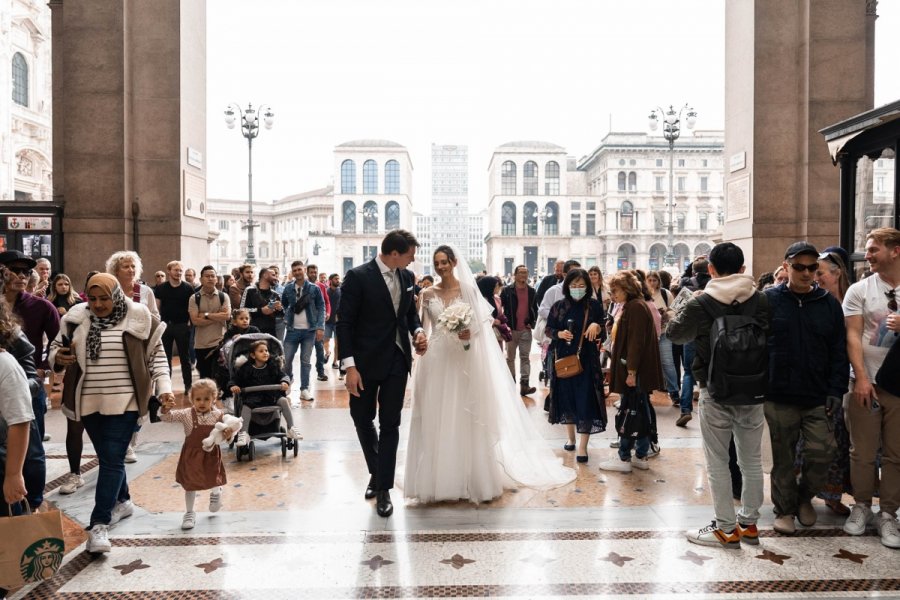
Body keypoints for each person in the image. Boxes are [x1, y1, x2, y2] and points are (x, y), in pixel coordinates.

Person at [405, 245, 575, 503]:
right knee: (436, 416)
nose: (440, 267)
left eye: (444, 262)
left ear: (453, 262)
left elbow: (480, 328)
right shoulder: (427, 294)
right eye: (436, 262)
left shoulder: (469, 291)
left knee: (464, 414)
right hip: (437, 360)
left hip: (463, 360)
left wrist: (467, 333)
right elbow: (424, 328)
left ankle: (469, 478)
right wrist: (419, 341)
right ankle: (437, 480)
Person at [50, 273, 174, 555]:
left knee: (112, 460)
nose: (98, 304)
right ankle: (124, 500)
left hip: (127, 403)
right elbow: (56, 347)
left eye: (104, 298)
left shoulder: (138, 316)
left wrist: (164, 388)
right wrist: (57, 358)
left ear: (116, 295)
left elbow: (157, 356)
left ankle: (98, 525)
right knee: (109, 458)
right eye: (92, 299)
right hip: (88, 403)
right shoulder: (75, 317)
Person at [667, 242, 770, 549]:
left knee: (718, 462)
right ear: (742, 269)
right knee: (751, 462)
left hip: (715, 389)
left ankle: (725, 528)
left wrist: (688, 307)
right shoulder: (762, 300)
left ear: (710, 269)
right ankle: (749, 525)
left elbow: (675, 334)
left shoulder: (702, 302)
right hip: (754, 388)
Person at [337, 229, 428, 517]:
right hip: (363, 364)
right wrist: (349, 366)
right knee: (362, 419)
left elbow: (409, 315)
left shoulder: (406, 277)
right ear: (394, 254)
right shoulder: (357, 276)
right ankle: (377, 473)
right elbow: (345, 323)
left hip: (397, 361)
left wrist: (417, 331)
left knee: (391, 424)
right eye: (410, 255)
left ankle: (384, 488)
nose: (413, 261)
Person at [763, 241, 848, 535]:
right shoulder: (769, 300)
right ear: (786, 267)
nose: (807, 273)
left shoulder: (828, 304)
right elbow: (758, 345)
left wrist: (835, 391)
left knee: (822, 452)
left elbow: (839, 351)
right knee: (784, 458)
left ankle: (803, 497)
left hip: (817, 395)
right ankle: (784, 509)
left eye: (813, 267)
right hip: (779, 394)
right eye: (799, 267)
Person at [841, 227, 900, 548]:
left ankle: (888, 513)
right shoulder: (859, 290)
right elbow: (852, 335)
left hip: (899, 386)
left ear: (896, 250)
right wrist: (861, 377)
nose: (868, 255)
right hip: (864, 381)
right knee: (861, 452)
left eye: (874, 249)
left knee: (896, 454)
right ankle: (861, 506)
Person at [599, 270, 664, 472]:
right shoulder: (635, 306)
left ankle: (625, 456)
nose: (613, 295)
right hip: (636, 371)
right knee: (639, 411)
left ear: (626, 289)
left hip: (635, 372)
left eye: (616, 290)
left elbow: (636, 343)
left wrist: (632, 372)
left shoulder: (635, 308)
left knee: (631, 412)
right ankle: (640, 455)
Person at [545, 268, 606, 463]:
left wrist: (597, 326)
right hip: (563, 359)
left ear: (588, 286)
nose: (577, 289)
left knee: (586, 399)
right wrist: (559, 334)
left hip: (587, 359)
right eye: (573, 285)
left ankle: (582, 447)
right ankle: (570, 438)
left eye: (581, 285)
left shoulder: (594, 306)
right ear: (567, 286)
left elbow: (603, 331)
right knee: (567, 398)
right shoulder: (559, 306)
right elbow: (548, 329)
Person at [0, 250, 59, 453]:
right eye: (15, 270)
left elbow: (58, 341)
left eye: (26, 271)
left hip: (30, 384)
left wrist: (44, 368)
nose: (22, 276)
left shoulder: (42, 307)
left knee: (33, 451)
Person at [160, 379, 235, 530]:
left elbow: (227, 437)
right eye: (198, 399)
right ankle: (189, 513)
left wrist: (229, 435)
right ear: (191, 399)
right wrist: (165, 409)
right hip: (191, 456)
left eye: (206, 399)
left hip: (211, 455)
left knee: (213, 478)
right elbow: (167, 418)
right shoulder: (187, 414)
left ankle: (216, 492)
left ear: (214, 398)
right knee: (190, 484)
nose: (202, 402)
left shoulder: (219, 416)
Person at [813, 246, 853, 515]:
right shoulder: (817, 301)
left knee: (843, 442)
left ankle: (833, 494)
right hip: (820, 382)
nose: (816, 277)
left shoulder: (851, 300)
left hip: (848, 380)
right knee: (821, 442)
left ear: (837, 274)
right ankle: (813, 493)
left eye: (820, 272)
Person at [228, 339, 301, 445]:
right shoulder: (246, 369)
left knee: (284, 401)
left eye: (266, 350)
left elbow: (283, 375)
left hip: (271, 396)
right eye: (261, 351)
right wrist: (233, 385)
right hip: (253, 398)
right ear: (253, 355)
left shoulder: (273, 366)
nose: (265, 353)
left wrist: (284, 382)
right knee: (245, 407)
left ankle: (291, 428)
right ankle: (244, 433)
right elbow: (235, 380)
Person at [281, 261, 325, 402]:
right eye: (295, 270)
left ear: (304, 270)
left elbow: (321, 306)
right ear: (292, 273)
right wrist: (285, 317)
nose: (297, 272)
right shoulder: (288, 289)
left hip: (310, 331)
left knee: (305, 361)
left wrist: (320, 326)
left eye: (299, 269)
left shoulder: (314, 288)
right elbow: (284, 305)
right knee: (286, 359)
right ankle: (288, 381)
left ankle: (304, 389)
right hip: (292, 330)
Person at [154, 260, 194, 392]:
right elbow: (157, 308)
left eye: (181, 270)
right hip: (166, 326)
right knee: (165, 358)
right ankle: (166, 387)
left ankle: (188, 386)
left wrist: (189, 323)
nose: (179, 273)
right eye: (176, 270)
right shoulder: (160, 288)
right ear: (169, 271)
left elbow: (191, 307)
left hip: (182, 326)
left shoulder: (188, 288)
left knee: (185, 357)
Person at [188, 265, 231, 380]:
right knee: (205, 379)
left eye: (213, 276)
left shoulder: (223, 296)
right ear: (201, 279)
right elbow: (195, 321)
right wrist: (218, 316)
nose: (210, 278)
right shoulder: (194, 298)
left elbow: (227, 316)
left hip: (220, 343)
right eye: (207, 276)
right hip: (201, 344)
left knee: (221, 378)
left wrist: (206, 315)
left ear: (216, 279)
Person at [500, 265, 537, 396]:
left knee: (525, 357)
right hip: (511, 329)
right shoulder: (506, 291)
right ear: (515, 275)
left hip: (525, 330)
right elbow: (500, 309)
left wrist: (532, 323)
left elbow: (535, 309)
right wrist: (504, 324)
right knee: (510, 358)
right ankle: (511, 383)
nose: (524, 275)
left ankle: (525, 385)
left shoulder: (532, 291)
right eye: (521, 273)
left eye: (526, 273)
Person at [647, 270, 680, 408]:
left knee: (667, 362)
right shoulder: (643, 295)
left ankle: (674, 392)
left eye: (655, 280)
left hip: (664, 332)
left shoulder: (665, 294)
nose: (652, 283)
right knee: (647, 363)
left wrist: (666, 313)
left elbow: (675, 310)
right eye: (649, 280)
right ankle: (647, 392)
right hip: (648, 334)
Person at [306, 264, 332, 382]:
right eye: (311, 272)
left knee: (319, 348)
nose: (313, 274)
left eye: (315, 272)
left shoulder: (321, 286)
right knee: (306, 350)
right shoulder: (303, 286)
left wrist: (327, 313)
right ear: (307, 273)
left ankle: (320, 372)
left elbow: (327, 302)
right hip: (305, 324)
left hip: (318, 322)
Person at [240, 267, 282, 337]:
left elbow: (280, 315)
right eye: (273, 275)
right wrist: (261, 311)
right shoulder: (250, 290)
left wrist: (279, 309)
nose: (276, 278)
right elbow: (242, 310)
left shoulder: (275, 294)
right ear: (265, 275)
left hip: (270, 332)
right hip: (252, 332)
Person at [324, 273, 341, 369]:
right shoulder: (326, 292)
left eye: (338, 279)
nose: (338, 280)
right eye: (335, 279)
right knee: (325, 341)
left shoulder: (342, 291)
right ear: (330, 280)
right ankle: (327, 352)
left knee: (337, 343)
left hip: (338, 322)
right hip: (327, 321)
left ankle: (335, 362)